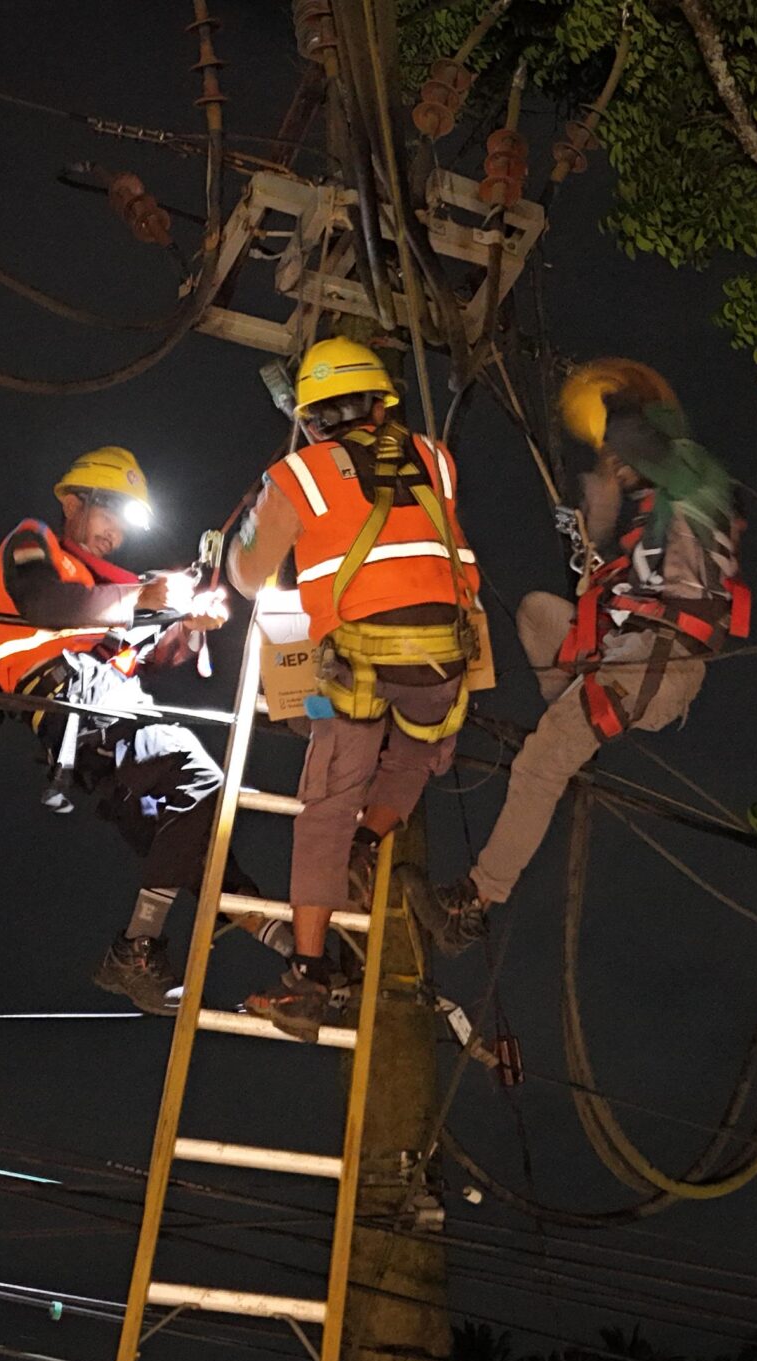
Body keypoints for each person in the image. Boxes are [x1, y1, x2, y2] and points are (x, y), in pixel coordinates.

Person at [411, 358, 747, 950]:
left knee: (540, 763)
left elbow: (632, 436)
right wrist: (599, 517)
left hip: (657, 662)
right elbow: (607, 588)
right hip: (625, 651)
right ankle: (572, 717)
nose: (618, 464)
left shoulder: (697, 475)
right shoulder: (658, 520)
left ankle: (474, 901)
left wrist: (614, 400)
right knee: (539, 612)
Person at [224, 338, 480, 1039]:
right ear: (381, 405)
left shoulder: (298, 473)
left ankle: (308, 977)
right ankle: (370, 840)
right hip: (442, 660)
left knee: (327, 804)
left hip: (359, 664)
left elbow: (247, 577)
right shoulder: (437, 458)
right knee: (417, 753)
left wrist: (236, 539)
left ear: (310, 420)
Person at [0, 445, 280, 1013]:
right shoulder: (34, 541)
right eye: (111, 516)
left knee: (196, 846)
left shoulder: (111, 588)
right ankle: (135, 949)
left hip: (101, 716)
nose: (116, 536)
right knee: (202, 779)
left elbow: (152, 654)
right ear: (74, 502)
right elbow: (44, 601)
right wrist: (142, 597)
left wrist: (189, 624)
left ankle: (302, 958)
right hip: (76, 702)